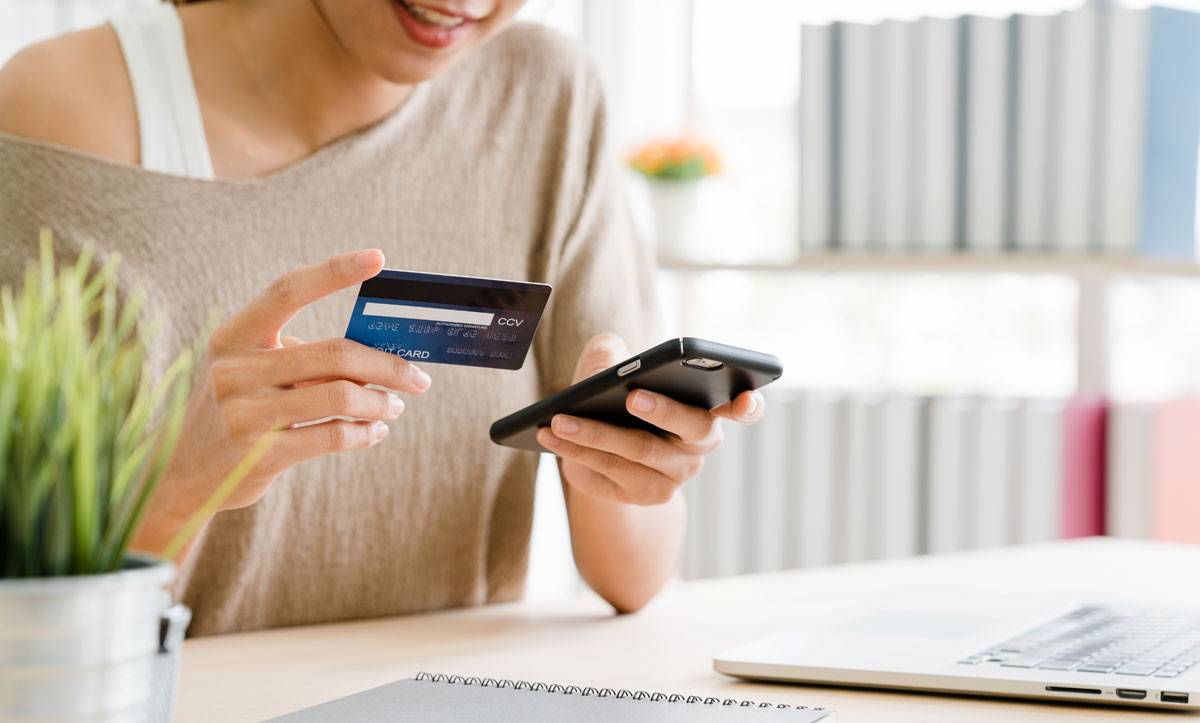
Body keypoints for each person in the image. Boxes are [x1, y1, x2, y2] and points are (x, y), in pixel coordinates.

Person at [0, 0, 766, 636]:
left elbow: (633, 577)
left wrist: (614, 468)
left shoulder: (543, 98)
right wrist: (179, 485)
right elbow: (30, 633)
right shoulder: (67, 106)